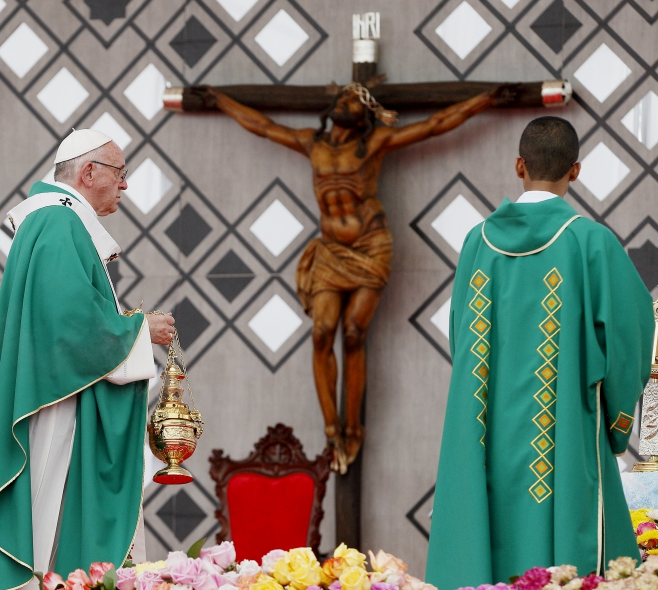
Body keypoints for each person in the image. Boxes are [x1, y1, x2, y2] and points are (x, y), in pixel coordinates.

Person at [197, 82, 516, 472]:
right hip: (331, 252)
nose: (348, 103)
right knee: (320, 332)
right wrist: (219, 100)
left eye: (355, 101)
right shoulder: (310, 143)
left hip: (371, 245)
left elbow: (436, 124)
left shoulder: (375, 143)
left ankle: (354, 427)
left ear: (364, 117)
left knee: (352, 333)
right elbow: (261, 125)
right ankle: (332, 428)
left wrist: (487, 98)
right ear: (333, 107)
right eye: (344, 98)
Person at [427, 116, 654, 590]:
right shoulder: (592, 242)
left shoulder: (477, 242)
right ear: (575, 171)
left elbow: (461, 339)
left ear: (518, 165)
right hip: (566, 429)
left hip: (484, 429)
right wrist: (614, 422)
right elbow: (632, 335)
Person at [0, 129, 175, 590]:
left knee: (43, 516)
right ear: (88, 172)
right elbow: (69, 326)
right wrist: (139, 330)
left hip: (54, 390)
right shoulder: (58, 223)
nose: (126, 185)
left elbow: (65, 316)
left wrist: (127, 328)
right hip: (52, 400)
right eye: (120, 173)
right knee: (40, 517)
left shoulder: (55, 221)